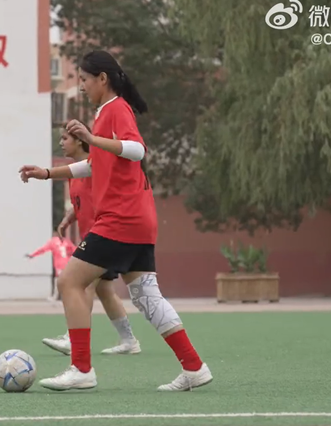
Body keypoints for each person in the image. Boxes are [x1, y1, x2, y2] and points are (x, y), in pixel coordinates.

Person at [18, 50, 213, 392]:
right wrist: (46, 173)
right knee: (147, 297)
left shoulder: (116, 108)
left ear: (102, 79)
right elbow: (93, 166)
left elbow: (138, 150)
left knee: (69, 281)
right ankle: (194, 368)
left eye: (83, 79)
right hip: (139, 218)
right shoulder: (105, 113)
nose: (81, 86)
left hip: (121, 217)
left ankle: (81, 369)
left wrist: (91, 138)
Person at [40, 123, 142, 357]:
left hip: (105, 237)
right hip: (92, 237)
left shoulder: (95, 167)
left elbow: (106, 199)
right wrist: (69, 218)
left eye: (65, 138)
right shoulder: (73, 172)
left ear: (79, 140)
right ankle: (129, 340)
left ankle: (72, 338)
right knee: (104, 290)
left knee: (82, 284)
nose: (61, 143)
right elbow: (83, 202)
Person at [26, 231, 76, 301]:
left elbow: (42, 249)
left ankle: (56, 296)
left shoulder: (53, 242)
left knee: (58, 280)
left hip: (59, 265)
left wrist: (32, 255)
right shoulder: (67, 241)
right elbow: (75, 250)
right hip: (68, 264)